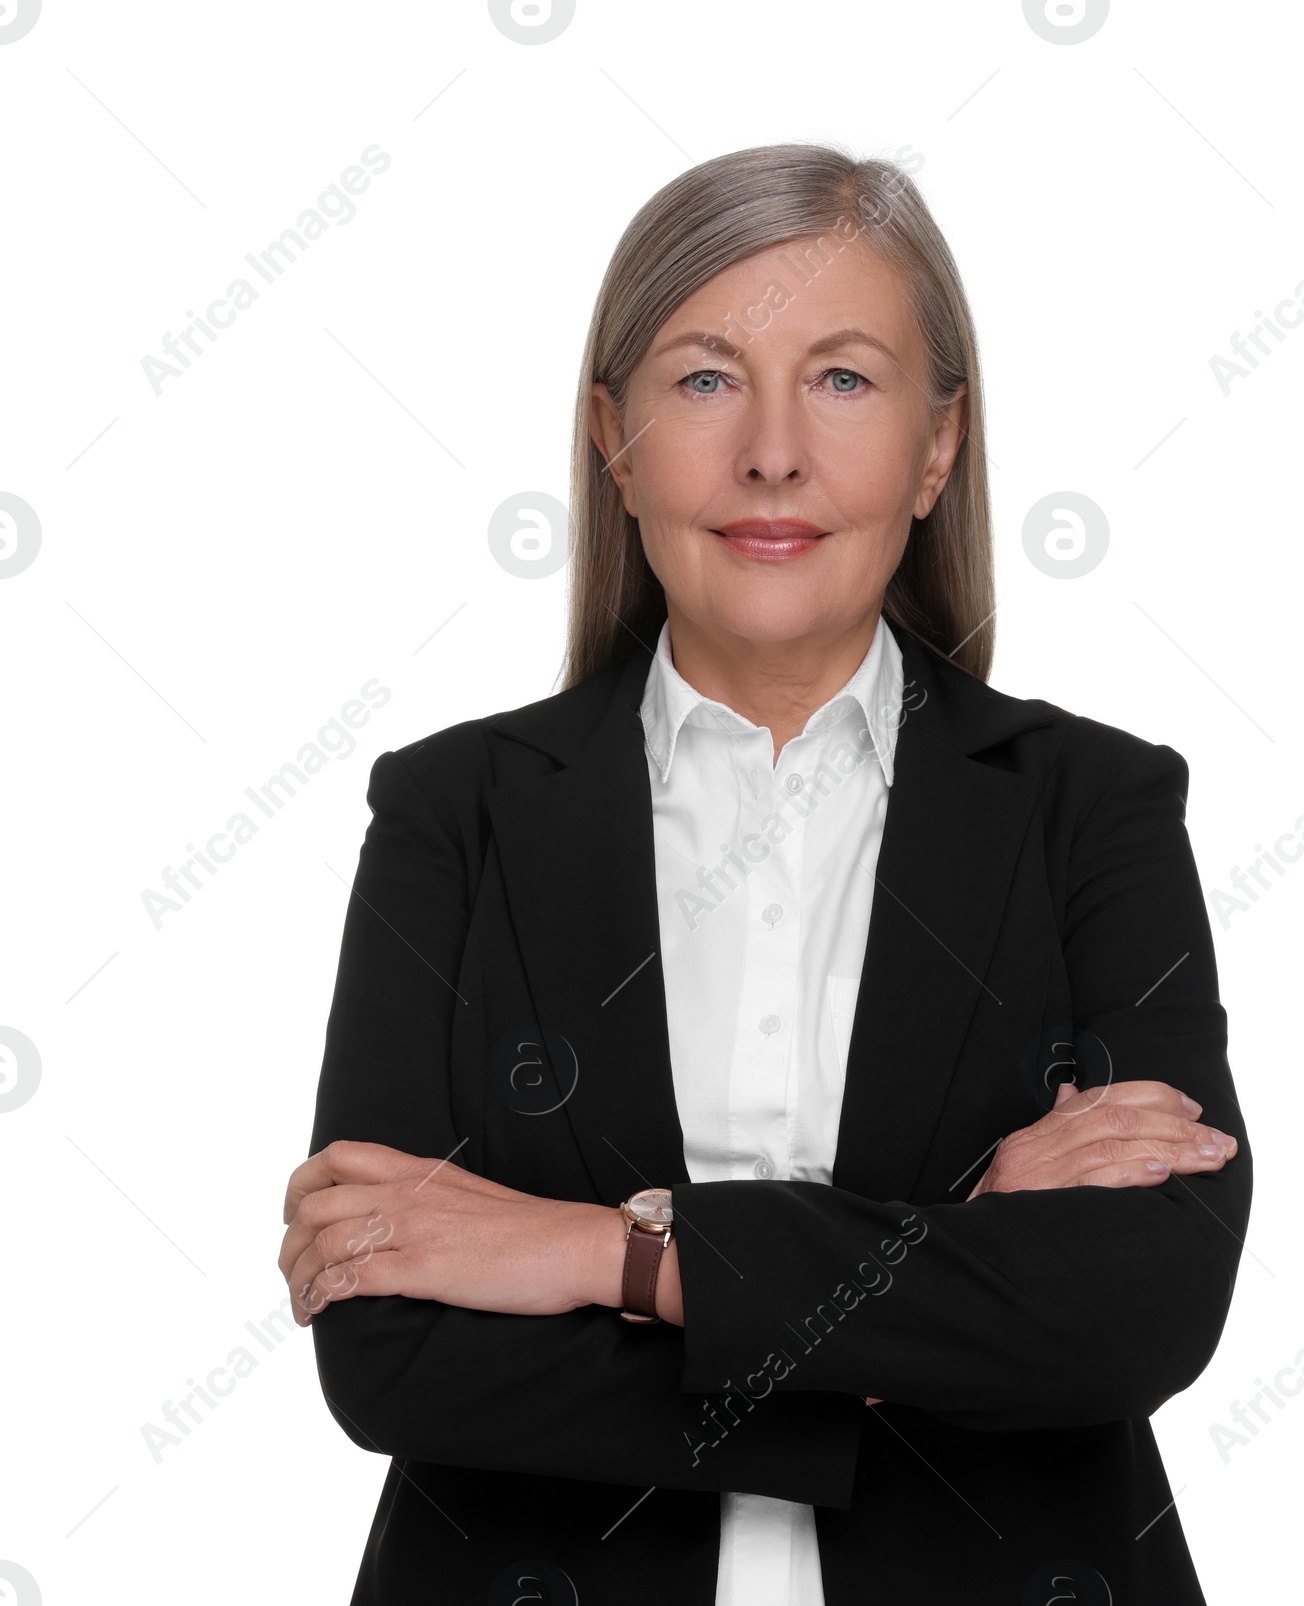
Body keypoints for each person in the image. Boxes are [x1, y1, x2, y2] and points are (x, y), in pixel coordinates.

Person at [278, 142, 1250, 1606]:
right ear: (614, 439)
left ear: (938, 446)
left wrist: (600, 1253)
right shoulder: (454, 813)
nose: (774, 454)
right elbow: (392, 1352)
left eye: (846, 380)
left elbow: (1140, 1310)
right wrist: (958, 1254)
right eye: (706, 379)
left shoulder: (1092, 808)